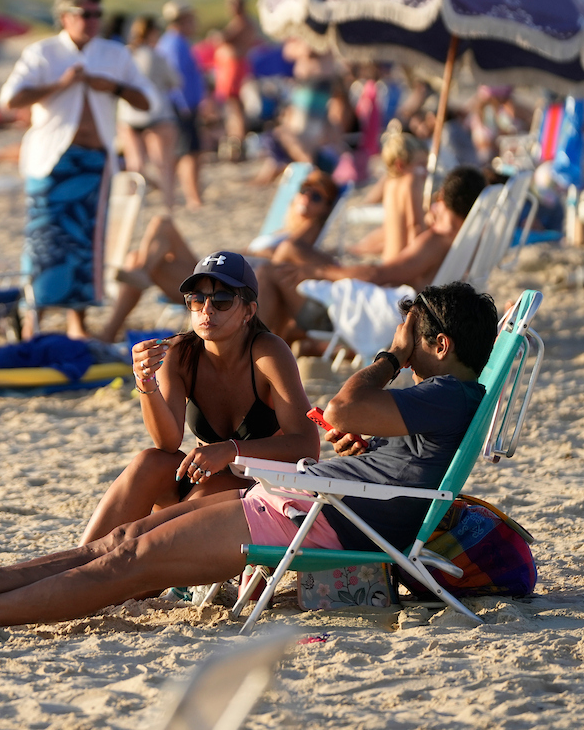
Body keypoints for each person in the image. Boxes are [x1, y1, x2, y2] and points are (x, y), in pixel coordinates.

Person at [0, 282, 498, 626]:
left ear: (439, 345)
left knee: (130, 562)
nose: (399, 345)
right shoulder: (442, 398)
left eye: (410, 334)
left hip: (319, 520)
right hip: (310, 503)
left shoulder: (447, 394)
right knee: (119, 545)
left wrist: (389, 360)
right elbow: (371, 438)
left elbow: (337, 410)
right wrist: (368, 447)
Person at [79, 252, 319, 544]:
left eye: (222, 301)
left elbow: (307, 446)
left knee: (205, 491)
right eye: (197, 299)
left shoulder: (268, 353)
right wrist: (145, 381)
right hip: (201, 480)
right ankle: (78, 560)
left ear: (248, 310)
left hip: (256, 488)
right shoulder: (181, 354)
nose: (207, 310)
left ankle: (131, 566)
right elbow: (167, 442)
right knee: (149, 461)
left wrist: (231, 450)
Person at [1, 0, 160, 339]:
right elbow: (11, 98)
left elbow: (148, 101)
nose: (92, 21)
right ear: (65, 17)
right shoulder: (43, 52)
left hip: (95, 160)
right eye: (85, 14)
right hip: (50, 160)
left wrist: (115, 88)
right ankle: (33, 319)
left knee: (87, 242)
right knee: (43, 239)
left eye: (97, 14)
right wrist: (60, 84)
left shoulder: (114, 55)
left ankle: (78, 322)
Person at [94, 169, 341, 343]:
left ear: (325, 208)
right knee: (141, 253)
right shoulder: (282, 231)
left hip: (226, 289)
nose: (307, 197)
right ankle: (119, 312)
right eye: (304, 190)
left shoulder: (303, 240)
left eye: (317, 196)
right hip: (218, 273)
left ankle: (111, 328)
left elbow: (283, 266)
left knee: (161, 226)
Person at [254, 166, 486, 342]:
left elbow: (379, 274)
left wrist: (318, 271)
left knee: (269, 273)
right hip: (386, 309)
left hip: (365, 318)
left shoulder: (438, 240)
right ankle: (274, 346)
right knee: (286, 254)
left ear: (442, 196)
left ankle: (259, 353)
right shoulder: (464, 242)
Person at [116, 16, 181, 211]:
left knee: (135, 164)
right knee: (163, 163)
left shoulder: (125, 54)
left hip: (129, 115)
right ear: (152, 33)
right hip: (156, 113)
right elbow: (176, 81)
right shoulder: (155, 56)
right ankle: (168, 204)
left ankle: (134, 205)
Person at [155, 1, 206, 209]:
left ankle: (173, 195)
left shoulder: (172, 42)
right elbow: (177, 79)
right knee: (190, 152)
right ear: (182, 21)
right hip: (182, 107)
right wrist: (186, 107)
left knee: (180, 153)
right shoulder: (175, 44)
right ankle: (193, 197)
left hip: (179, 106)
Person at [350, 131, 427, 262]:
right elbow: (415, 226)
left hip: (388, 259)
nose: (425, 171)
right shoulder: (411, 180)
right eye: (420, 165)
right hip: (403, 263)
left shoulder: (390, 182)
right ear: (400, 165)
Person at [214, 0, 258, 162]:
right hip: (232, 67)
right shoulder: (243, 23)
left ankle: (238, 142)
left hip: (234, 67)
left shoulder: (242, 23)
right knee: (233, 106)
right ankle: (236, 140)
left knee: (235, 105)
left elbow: (223, 38)